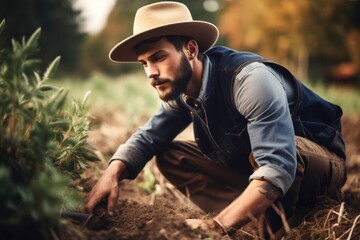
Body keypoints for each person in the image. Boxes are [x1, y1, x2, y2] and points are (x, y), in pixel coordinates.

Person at [85, 1, 347, 237]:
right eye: (143, 63)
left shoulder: (249, 81)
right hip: (260, 165)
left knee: (267, 158)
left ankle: (270, 223)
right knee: (171, 155)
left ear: (190, 49)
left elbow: (277, 166)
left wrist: (215, 226)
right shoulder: (182, 89)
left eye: (158, 58)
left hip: (319, 163)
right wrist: (112, 172)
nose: (151, 73)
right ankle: (249, 217)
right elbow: (149, 137)